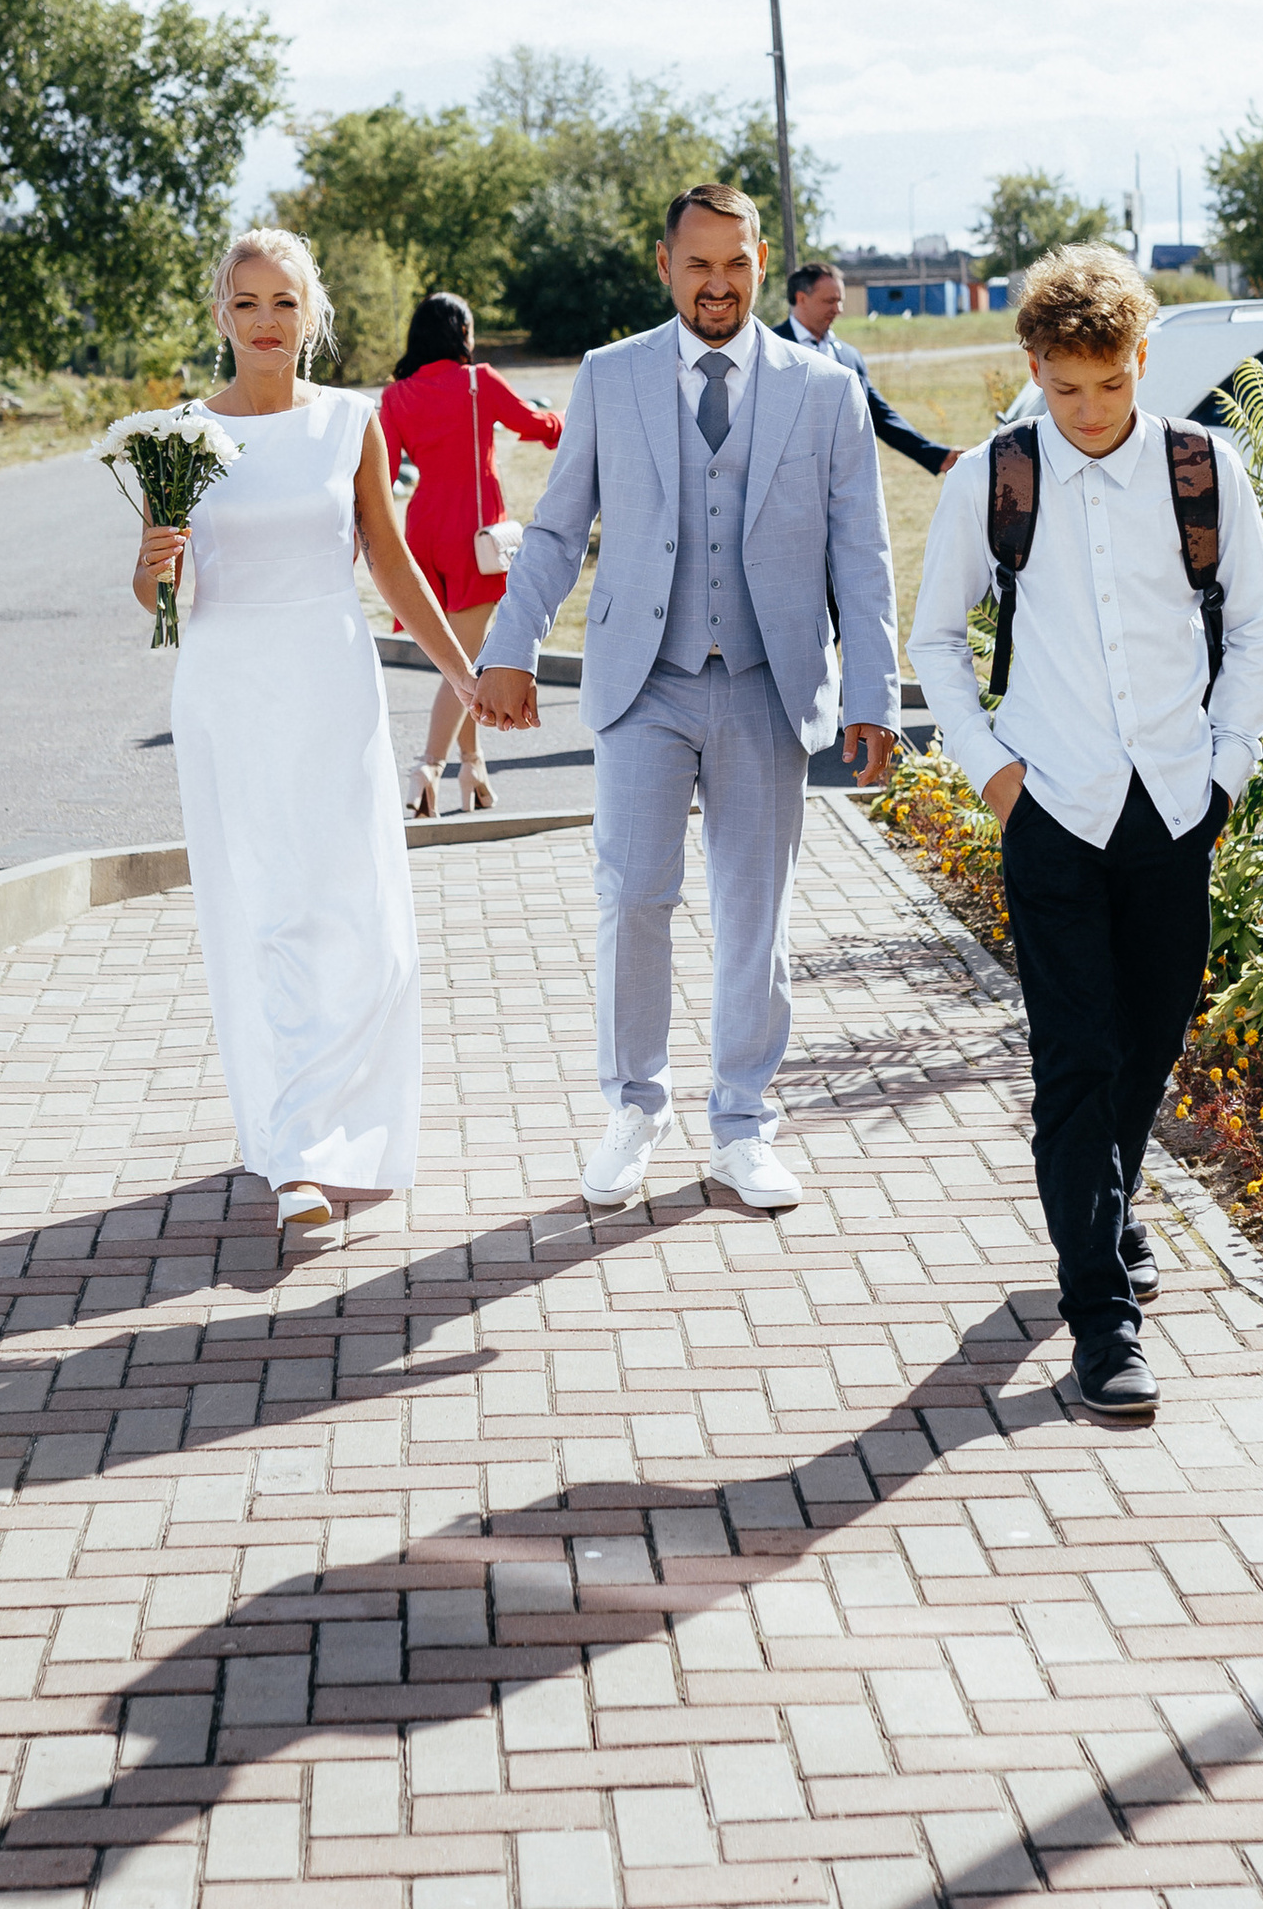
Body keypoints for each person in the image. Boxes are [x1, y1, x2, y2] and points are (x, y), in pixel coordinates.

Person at [910, 245, 1263, 1426]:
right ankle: (1101, 1320)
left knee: (1149, 1041)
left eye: (1111, 384)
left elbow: (1255, 626)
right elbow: (934, 641)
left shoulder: (1202, 470)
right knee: (1075, 1060)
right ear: (1033, 367)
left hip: (1175, 806)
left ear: (1141, 360)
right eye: (1066, 387)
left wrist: (1226, 772)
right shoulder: (995, 478)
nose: (1088, 410)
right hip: (1052, 812)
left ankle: (1108, 1205)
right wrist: (995, 777)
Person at [475, 183, 900, 1214]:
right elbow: (555, 529)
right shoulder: (609, 375)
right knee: (633, 898)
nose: (718, 284)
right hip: (644, 682)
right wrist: (510, 645)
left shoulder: (824, 389)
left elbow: (862, 551)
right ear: (664, 265)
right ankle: (634, 1109)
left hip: (767, 685)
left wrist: (874, 693)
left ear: (762, 265)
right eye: (698, 264)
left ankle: (743, 1124)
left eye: (736, 264)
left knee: (754, 914)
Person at [129, 229, 506, 1243]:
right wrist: (155, 564)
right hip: (229, 688)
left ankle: (346, 1122)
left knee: (354, 909)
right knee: (267, 908)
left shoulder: (351, 421)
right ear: (221, 312)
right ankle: (295, 1149)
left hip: (332, 682)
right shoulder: (177, 436)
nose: (266, 322)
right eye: (247, 302)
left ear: (312, 314)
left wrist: (461, 673)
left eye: (284, 303)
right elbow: (155, 597)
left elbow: (389, 562)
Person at [376, 292, 564, 816]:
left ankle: (472, 769)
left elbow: (384, 474)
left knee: (458, 655)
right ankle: (427, 768)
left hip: (421, 534)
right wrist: (569, 420)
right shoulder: (478, 380)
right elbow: (533, 424)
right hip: (473, 538)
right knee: (462, 666)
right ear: (461, 332)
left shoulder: (396, 396)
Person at [782, 260, 959, 478]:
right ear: (801, 298)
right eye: (830, 301)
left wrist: (939, 456)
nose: (838, 310)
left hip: (845, 479)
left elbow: (880, 417)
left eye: (840, 301)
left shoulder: (850, 356)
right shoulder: (770, 350)